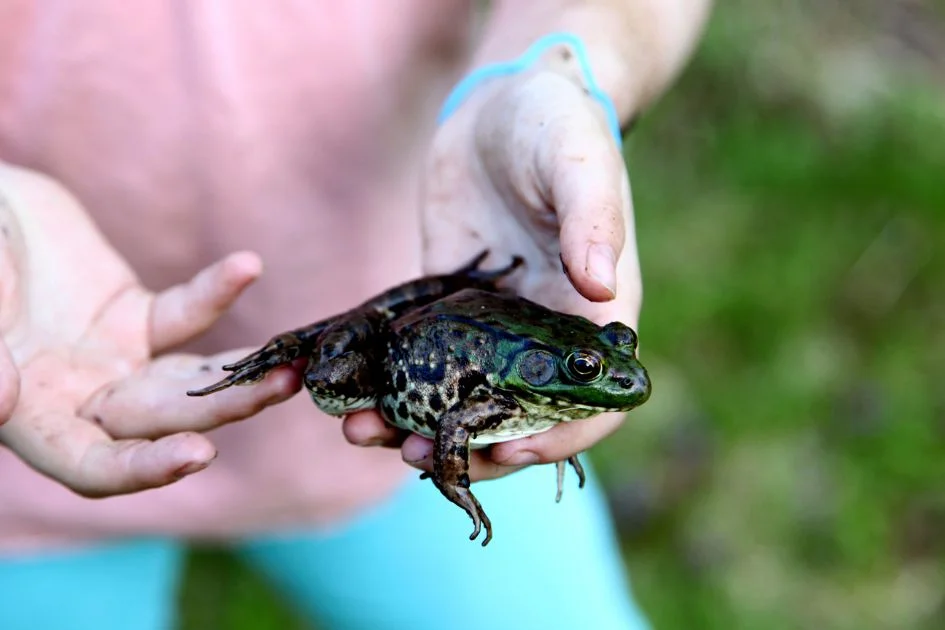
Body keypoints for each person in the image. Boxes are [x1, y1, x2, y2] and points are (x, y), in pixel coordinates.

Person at [0, 1, 710, 629]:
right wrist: (454, 482)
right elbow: (457, 428)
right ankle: (277, 352)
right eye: (587, 366)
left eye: (601, 352)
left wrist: (559, 63)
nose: (615, 372)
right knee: (329, 375)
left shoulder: (522, 384)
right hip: (38, 411)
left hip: (384, 451)